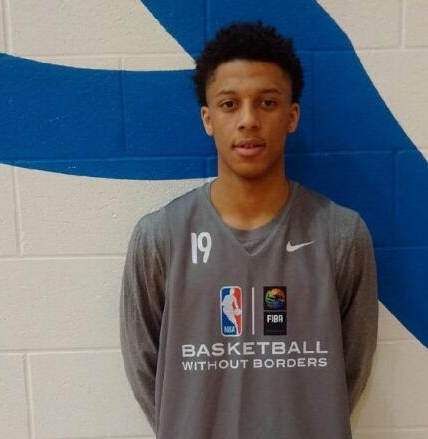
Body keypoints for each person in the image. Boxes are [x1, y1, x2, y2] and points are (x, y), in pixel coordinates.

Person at [120, 21, 377, 438]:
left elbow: (349, 368)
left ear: (292, 116)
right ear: (207, 118)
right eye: (229, 104)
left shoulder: (341, 235)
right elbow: (149, 374)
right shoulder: (160, 238)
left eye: (267, 103)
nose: (248, 120)